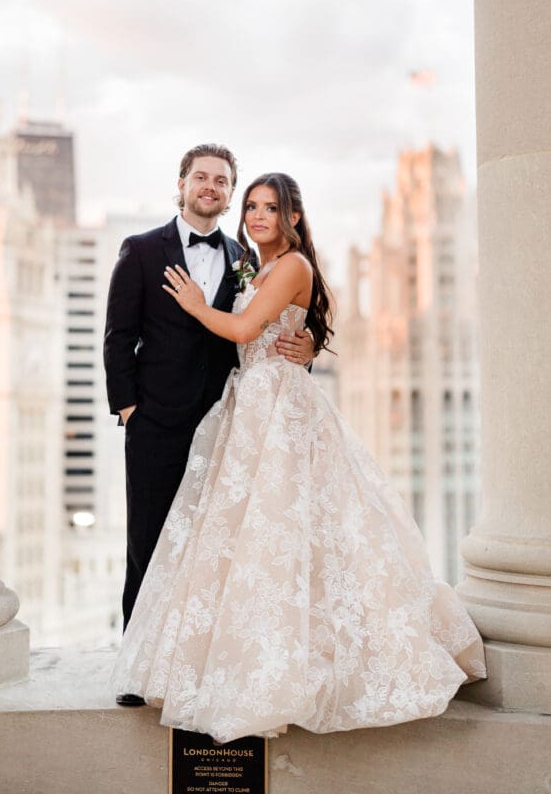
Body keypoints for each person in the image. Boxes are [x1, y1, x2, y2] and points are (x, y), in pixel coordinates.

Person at [111, 172, 487, 742]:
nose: (258, 216)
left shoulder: (291, 264)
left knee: (290, 531)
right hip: (238, 407)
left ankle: (298, 669)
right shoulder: (248, 261)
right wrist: (129, 406)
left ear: (293, 216)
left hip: (278, 411)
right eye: (252, 207)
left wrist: (194, 303)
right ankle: (224, 658)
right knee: (234, 541)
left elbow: (243, 327)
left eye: (270, 207)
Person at [103, 146, 315, 707]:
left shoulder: (246, 256)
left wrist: (308, 346)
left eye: (223, 182)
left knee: (209, 551)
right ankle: (135, 669)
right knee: (148, 544)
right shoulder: (143, 250)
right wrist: (129, 408)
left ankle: (192, 665)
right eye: (202, 177)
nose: (211, 187)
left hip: (229, 425)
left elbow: (274, 324)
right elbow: (118, 336)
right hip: (157, 424)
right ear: (181, 183)